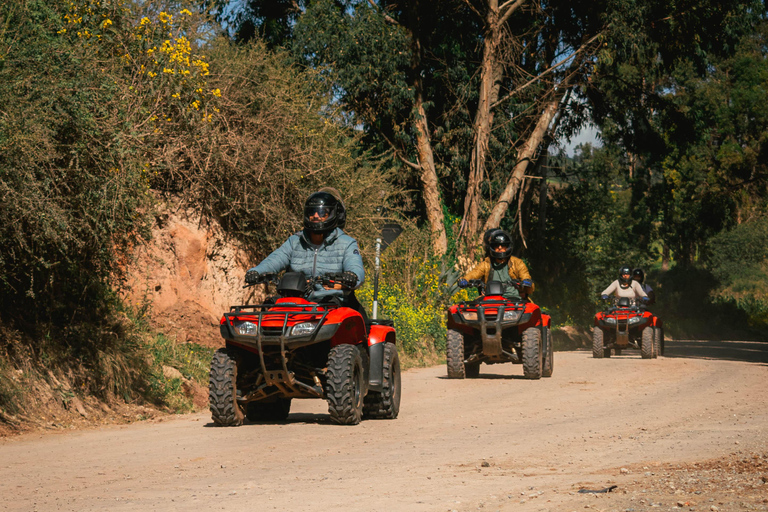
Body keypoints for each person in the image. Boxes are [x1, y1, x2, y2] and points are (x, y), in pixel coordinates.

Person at [244, 190, 364, 307]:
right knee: (268, 311)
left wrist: (351, 276)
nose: (316, 216)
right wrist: (256, 272)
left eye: (322, 213)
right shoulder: (294, 241)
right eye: (312, 212)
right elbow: (274, 260)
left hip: (332, 303)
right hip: (296, 302)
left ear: (332, 215)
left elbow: (356, 268)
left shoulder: (346, 243)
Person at [458, 229, 534, 300]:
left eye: (503, 245)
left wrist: (526, 282)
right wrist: (465, 280)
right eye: (496, 245)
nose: (500, 248)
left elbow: (525, 275)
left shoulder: (517, 263)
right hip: (490, 300)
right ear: (492, 247)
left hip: (514, 300)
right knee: (470, 310)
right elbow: (474, 273)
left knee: (530, 312)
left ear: (507, 247)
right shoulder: (486, 264)